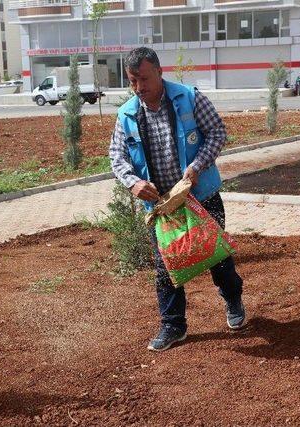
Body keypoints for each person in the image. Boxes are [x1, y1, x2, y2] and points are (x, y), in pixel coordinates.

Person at [109, 47, 246, 352]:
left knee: (217, 257)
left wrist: (197, 166)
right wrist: (133, 183)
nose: (138, 88)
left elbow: (217, 133)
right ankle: (173, 325)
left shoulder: (190, 97)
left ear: (159, 72)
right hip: (161, 208)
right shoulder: (127, 115)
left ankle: (233, 299)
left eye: (143, 79)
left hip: (201, 196)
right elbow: (116, 158)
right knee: (165, 267)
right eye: (132, 81)